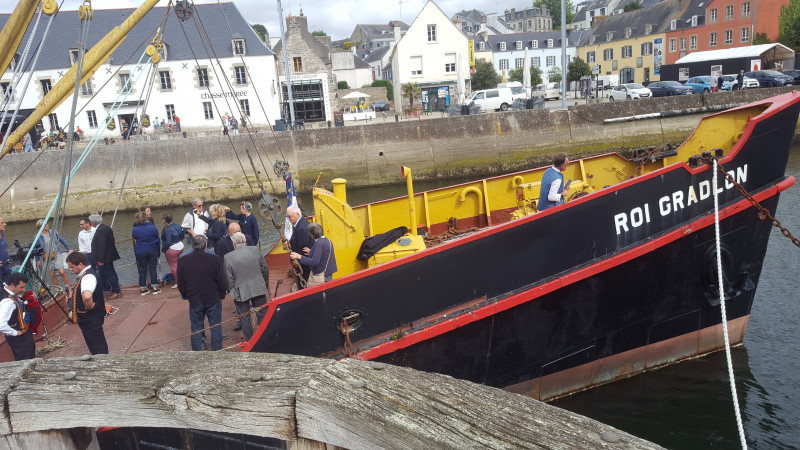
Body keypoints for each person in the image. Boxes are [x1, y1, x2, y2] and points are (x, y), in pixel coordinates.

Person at [177, 235, 226, 351]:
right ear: (205, 246)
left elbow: (180, 282)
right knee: (215, 326)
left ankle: (197, 353)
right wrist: (221, 294)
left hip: (194, 299)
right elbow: (221, 280)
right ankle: (217, 351)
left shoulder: (183, 261)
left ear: (192, 245)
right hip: (213, 297)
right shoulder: (214, 259)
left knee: (196, 328)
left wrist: (186, 295)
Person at [225, 232, 269, 341]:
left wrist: (233, 292)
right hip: (258, 286)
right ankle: (267, 335)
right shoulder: (255, 250)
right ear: (245, 241)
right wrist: (264, 283)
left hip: (240, 291)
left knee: (244, 317)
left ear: (233, 243)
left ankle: (249, 340)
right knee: (263, 313)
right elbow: (264, 268)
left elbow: (228, 278)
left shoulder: (228, 257)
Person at [66, 252, 109, 355]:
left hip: (90, 317)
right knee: (93, 342)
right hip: (89, 318)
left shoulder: (87, 277)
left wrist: (87, 307)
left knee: (97, 344)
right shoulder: (86, 275)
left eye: (71, 267)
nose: (70, 269)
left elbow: (87, 296)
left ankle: (103, 363)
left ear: (80, 264)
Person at [0, 273, 35, 360]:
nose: (24, 289)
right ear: (12, 285)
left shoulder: (7, 292)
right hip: (20, 337)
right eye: (21, 287)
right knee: (26, 359)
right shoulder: (8, 301)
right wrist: (15, 333)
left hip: (21, 334)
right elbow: (1, 324)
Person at [289, 222, 337, 287]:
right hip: (328, 273)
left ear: (312, 235)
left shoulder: (318, 244)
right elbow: (324, 252)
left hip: (322, 275)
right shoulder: (327, 240)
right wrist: (311, 251)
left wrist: (299, 256)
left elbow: (314, 261)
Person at [34, 219, 72, 295]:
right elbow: (35, 248)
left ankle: (69, 289)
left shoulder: (53, 233)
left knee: (62, 272)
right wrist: (38, 259)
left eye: (47, 224)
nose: (48, 225)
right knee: (52, 275)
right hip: (46, 257)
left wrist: (69, 248)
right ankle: (59, 292)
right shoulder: (37, 236)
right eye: (45, 225)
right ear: (40, 227)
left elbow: (62, 240)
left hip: (56, 254)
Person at [89, 214, 123, 300]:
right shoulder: (106, 228)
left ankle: (116, 291)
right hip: (109, 256)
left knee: (110, 274)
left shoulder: (100, 230)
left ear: (93, 223)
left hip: (104, 258)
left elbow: (102, 245)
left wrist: (100, 259)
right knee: (111, 272)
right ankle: (115, 290)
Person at [132, 211, 161, 296]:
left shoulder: (135, 229)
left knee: (143, 269)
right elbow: (157, 238)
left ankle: (143, 288)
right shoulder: (152, 227)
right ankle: (155, 287)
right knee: (153, 268)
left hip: (141, 250)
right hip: (152, 249)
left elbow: (134, 237)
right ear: (146, 218)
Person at [286, 204, 313, 285]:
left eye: (290, 216)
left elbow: (302, 250)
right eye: (287, 216)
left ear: (297, 214)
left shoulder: (301, 228)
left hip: (303, 268)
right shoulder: (300, 224)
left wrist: (297, 266)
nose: (288, 219)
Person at [161, 213, 184, 289]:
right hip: (180, 246)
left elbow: (168, 242)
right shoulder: (177, 225)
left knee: (174, 267)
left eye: (162, 219)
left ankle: (178, 283)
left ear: (165, 220)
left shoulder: (167, 230)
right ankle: (184, 280)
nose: (161, 220)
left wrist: (163, 249)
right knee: (181, 265)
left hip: (172, 249)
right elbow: (182, 236)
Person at [0, 216, 9, 285]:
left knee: (7, 287)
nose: (5, 224)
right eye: (2, 223)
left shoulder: (2, 234)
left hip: (6, 266)